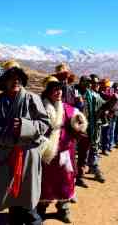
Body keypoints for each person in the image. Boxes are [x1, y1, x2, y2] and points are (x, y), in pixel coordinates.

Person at [0, 65, 50, 225]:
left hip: (28, 154)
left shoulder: (32, 98)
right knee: (10, 196)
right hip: (6, 154)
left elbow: (44, 123)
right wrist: (4, 134)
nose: (15, 82)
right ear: (4, 82)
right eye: (11, 79)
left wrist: (26, 126)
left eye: (18, 79)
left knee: (28, 198)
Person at [37, 76, 87, 223]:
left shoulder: (67, 108)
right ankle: (41, 209)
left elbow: (79, 120)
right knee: (44, 179)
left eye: (59, 89)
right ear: (47, 92)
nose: (58, 92)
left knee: (65, 178)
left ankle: (63, 208)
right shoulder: (39, 107)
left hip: (65, 149)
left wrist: (79, 122)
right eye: (54, 90)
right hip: (45, 150)